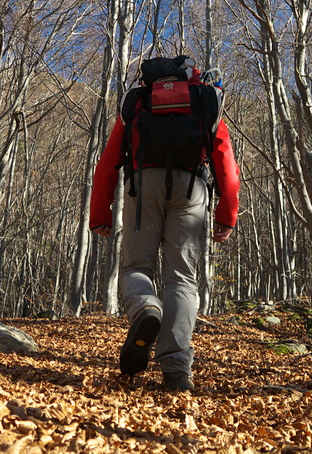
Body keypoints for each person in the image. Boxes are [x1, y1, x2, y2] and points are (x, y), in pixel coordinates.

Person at [89, 56, 240, 392]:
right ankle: (176, 369)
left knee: (136, 268)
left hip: (142, 188)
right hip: (192, 190)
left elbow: (109, 162)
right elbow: (226, 164)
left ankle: (145, 307)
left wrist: (100, 213)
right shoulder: (204, 100)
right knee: (182, 279)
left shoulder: (138, 102)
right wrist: (226, 214)